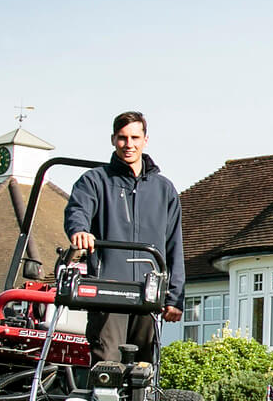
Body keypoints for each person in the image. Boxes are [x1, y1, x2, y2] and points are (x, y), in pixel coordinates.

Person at [65, 112, 185, 364]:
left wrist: (175, 297)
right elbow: (78, 211)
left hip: (149, 292)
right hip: (108, 291)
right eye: (122, 138)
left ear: (145, 140)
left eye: (135, 138)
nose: (128, 144)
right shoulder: (95, 181)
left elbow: (174, 245)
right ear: (113, 140)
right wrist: (80, 230)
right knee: (107, 364)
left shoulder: (164, 190)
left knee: (144, 367)